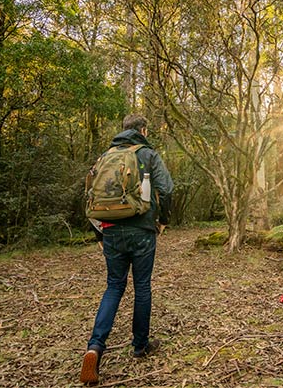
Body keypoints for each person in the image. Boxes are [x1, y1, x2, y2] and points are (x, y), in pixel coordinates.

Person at [80, 113, 174, 385]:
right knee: (142, 286)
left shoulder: (105, 155)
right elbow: (167, 188)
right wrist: (163, 220)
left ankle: (95, 347)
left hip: (110, 230)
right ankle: (140, 346)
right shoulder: (147, 154)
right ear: (143, 130)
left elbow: (89, 196)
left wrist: (97, 232)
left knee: (114, 286)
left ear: (122, 130)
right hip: (142, 230)